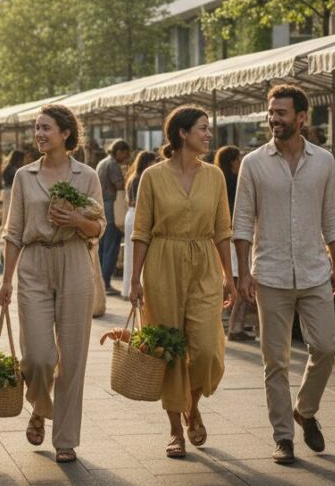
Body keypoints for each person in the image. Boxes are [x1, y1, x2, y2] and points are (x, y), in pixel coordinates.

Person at [233, 85, 335, 463]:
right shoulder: (253, 163)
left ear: (301, 117)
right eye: (271, 112)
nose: (274, 119)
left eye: (281, 113)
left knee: (326, 347)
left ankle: (305, 410)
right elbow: (242, 221)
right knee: (275, 361)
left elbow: (332, 216)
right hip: (270, 272)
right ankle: (283, 436)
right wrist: (244, 273)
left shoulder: (324, 161)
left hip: (315, 270)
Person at [0, 104, 104, 464]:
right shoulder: (24, 176)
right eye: (37, 128)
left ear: (66, 134)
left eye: (46, 128)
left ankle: (66, 439)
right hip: (34, 263)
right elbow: (13, 232)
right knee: (39, 356)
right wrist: (6, 280)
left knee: (72, 357)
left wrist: (76, 218)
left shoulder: (86, 175)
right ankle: (40, 406)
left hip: (74, 259)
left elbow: (97, 227)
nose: (39, 134)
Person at [130, 106, 236, 459]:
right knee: (170, 349)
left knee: (206, 349)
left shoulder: (215, 176)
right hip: (162, 263)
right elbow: (141, 230)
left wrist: (230, 277)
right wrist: (134, 279)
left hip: (204, 262)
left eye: (208, 129)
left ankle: (192, 402)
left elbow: (223, 229)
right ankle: (176, 429)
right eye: (202, 129)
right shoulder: (152, 176)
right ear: (181, 134)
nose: (208, 135)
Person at [214, 145, 251, 343]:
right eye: (238, 159)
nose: (240, 162)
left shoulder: (216, 180)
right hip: (237, 236)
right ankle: (236, 326)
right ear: (232, 162)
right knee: (241, 282)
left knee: (228, 282)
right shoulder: (237, 182)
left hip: (222, 237)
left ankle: (219, 323)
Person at [95, 140, 131, 295]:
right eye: (125, 153)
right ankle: (106, 282)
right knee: (112, 244)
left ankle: (101, 280)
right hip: (112, 206)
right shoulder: (113, 165)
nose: (126, 157)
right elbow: (119, 185)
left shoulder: (102, 162)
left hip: (101, 204)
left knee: (103, 245)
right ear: (119, 151)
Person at [121, 151, 157, 300]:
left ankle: (127, 288)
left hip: (130, 215)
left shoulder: (132, 177)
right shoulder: (142, 177)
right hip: (137, 214)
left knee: (131, 254)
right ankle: (136, 286)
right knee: (138, 253)